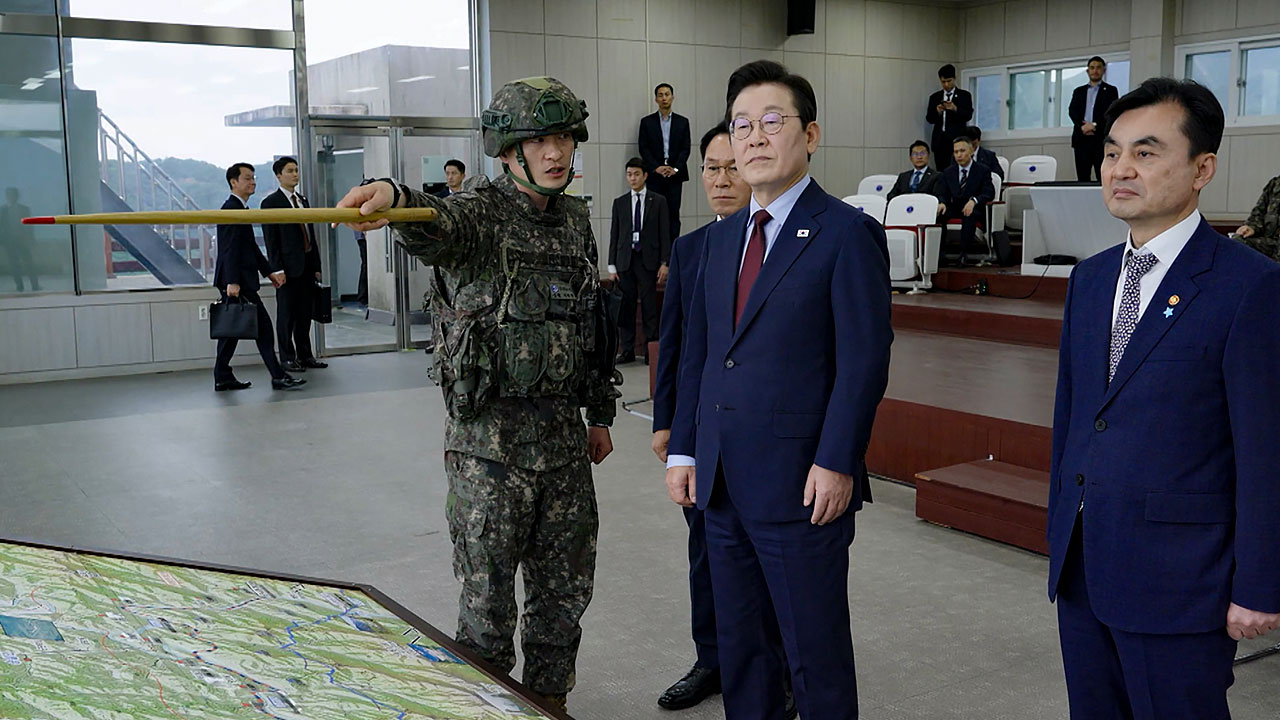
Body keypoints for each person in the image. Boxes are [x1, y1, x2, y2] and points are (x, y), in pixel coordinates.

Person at [334, 76, 619, 715]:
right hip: (489, 453)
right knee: (486, 609)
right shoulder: (479, 214)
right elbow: (433, 223)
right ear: (507, 150)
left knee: (563, 597)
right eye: (540, 139)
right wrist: (392, 195)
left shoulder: (575, 221)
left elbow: (590, 327)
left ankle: (550, 706)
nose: (557, 153)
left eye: (566, 138)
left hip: (564, 446)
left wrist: (598, 414)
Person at [665, 60, 892, 720]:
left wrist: (836, 459)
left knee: (812, 652)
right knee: (742, 651)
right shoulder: (719, 240)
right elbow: (702, 358)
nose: (755, 138)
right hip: (721, 483)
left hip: (802, 485)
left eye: (772, 122)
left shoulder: (846, 234)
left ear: (810, 134)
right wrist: (684, 450)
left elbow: (863, 362)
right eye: (742, 125)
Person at [1047, 77, 1280, 720]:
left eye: (1146, 153)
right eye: (1113, 151)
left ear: (1203, 168)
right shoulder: (1090, 279)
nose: (1121, 169)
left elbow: (1266, 451)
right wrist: (1060, 531)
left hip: (1182, 580)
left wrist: (1260, 584)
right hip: (1084, 567)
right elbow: (1074, 419)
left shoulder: (1250, 287)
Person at [652, 121, 795, 719]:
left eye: (729, 166)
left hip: (768, 437)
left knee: (771, 563)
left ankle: (778, 668)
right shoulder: (693, 249)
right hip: (703, 436)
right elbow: (679, 345)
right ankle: (712, 657)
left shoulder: (789, 242)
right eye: (709, 168)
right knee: (706, 554)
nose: (720, 179)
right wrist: (668, 425)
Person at [212, 163, 305, 392]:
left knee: (231, 331)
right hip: (238, 283)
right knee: (262, 330)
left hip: (239, 281)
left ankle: (223, 374)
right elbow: (229, 249)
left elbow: (251, 247)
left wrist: (269, 272)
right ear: (233, 182)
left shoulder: (241, 208)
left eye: (253, 178)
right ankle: (277, 376)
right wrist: (232, 281)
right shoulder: (231, 209)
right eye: (247, 178)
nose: (252, 182)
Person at [261, 156, 326, 372]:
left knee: (304, 314)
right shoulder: (270, 203)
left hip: (306, 265)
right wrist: (276, 269)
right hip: (287, 269)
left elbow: (310, 234)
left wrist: (316, 265)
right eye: (290, 170)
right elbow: (271, 241)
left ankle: (305, 355)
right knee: (286, 315)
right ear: (278, 175)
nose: (295, 174)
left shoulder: (303, 200)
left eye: (296, 170)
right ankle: (287, 358)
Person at [607, 157, 670, 365]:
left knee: (649, 305)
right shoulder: (620, 203)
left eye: (636, 174)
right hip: (625, 260)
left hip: (648, 260)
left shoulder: (658, 201)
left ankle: (650, 350)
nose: (632, 178)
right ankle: (627, 350)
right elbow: (614, 235)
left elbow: (664, 234)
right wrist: (611, 265)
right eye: (629, 174)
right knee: (626, 307)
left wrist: (664, 262)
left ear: (645, 176)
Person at [639, 82, 692, 240]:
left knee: (673, 215)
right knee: (654, 215)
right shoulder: (647, 122)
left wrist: (675, 168)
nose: (664, 98)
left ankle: (672, 254)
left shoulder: (682, 122)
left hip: (675, 176)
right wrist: (656, 167)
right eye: (660, 95)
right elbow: (644, 148)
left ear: (672, 97)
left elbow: (685, 148)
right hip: (655, 176)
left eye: (667, 94)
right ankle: (656, 255)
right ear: (656, 99)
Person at [933, 135, 996, 265]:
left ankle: (963, 254)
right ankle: (940, 254)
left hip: (975, 209)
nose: (959, 155)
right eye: (956, 152)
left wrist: (974, 200)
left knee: (969, 214)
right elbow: (942, 192)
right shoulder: (948, 172)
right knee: (939, 215)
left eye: (962, 151)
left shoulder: (983, 170)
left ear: (971, 151)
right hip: (955, 207)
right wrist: (942, 202)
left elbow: (989, 193)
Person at [1068, 56, 1119, 182]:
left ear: (1103, 70)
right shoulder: (1078, 91)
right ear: (1087, 71)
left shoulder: (1111, 91)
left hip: (1100, 139)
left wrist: (1094, 125)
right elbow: (1072, 111)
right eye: (1092, 68)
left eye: (1098, 68)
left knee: (1103, 177)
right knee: (1082, 178)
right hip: (1081, 139)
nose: (1095, 70)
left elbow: (1112, 113)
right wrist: (1082, 126)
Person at [925, 64, 973, 172]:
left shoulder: (964, 96)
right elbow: (929, 118)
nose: (946, 84)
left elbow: (968, 115)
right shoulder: (935, 97)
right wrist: (937, 111)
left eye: (949, 81)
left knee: (957, 170)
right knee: (941, 172)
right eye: (943, 82)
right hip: (940, 141)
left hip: (956, 140)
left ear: (954, 79)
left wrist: (955, 108)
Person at [0, 187, 39, 292]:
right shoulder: (3, 210)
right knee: (14, 265)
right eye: (9, 195)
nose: (11, 197)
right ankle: (19, 286)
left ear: (16, 196)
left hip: (22, 241)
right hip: (9, 242)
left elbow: (30, 226)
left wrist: (31, 238)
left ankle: (35, 285)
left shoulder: (24, 209)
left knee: (29, 263)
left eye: (12, 195)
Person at [1234, 173, 1280, 260]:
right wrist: (1251, 227)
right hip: (1270, 242)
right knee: (1238, 242)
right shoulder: (1275, 184)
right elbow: (1259, 212)